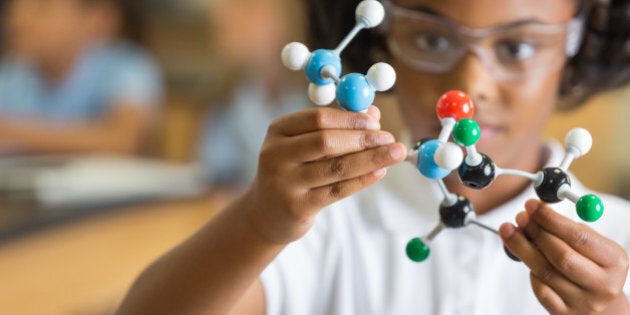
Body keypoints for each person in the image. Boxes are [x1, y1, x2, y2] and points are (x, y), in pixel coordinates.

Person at [116, 0, 630, 314]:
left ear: (575, 44)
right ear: (385, 42)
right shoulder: (318, 223)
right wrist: (258, 223)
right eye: (431, 37)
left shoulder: (619, 243)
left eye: (516, 47)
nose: (469, 88)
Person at [0, 0, 162, 155]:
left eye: (42, 7)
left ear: (97, 17)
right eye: (14, 8)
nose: (18, 20)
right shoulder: (13, 74)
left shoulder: (127, 67)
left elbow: (123, 141)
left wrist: (12, 133)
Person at [197, 0, 308, 190]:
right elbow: (211, 181)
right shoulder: (226, 101)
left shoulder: (318, 104)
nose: (221, 15)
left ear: (287, 19)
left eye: (246, 6)